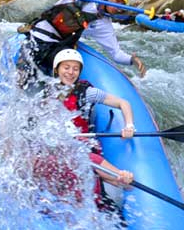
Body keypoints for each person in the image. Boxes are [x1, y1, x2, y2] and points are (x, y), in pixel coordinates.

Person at [31, 48, 135, 212]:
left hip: (83, 144)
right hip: (57, 145)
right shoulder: (48, 93)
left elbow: (123, 103)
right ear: (57, 69)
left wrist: (129, 125)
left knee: (84, 157)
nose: (70, 72)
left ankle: (120, 178)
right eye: (66, 67)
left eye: (75, 68)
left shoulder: (87, 92)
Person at [16, 0, 147, 89]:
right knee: (22, 81)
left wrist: (132, 60)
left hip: (56, 48)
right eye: (116, 1)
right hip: (37, 39)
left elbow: (116, 54)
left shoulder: (104, 25)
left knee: (70, 71)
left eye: (122, 5)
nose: (118, 7)